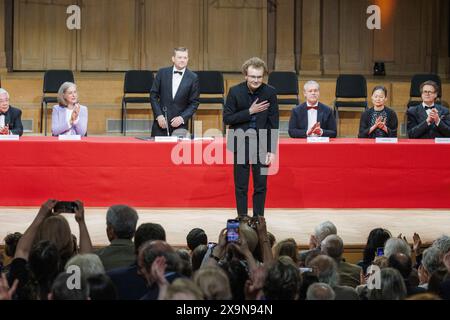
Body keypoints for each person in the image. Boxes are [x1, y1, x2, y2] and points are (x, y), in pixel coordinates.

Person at [223, 57, 279, 217]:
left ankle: (258, 220)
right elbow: (227, 119)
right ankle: (242, 219)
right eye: (253, 76)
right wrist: (250, 112)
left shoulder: (270, 92)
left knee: (260, 185)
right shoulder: (235, 91)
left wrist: (272, 150)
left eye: (259, 77)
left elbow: (273, 123)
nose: (256, 80)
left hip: (262, 142)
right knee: (241, 186)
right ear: (245, 75)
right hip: (241, 141)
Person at [150, 47, 199, 137]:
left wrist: (182, 118)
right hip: (161, 123)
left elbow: (194, 103)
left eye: (185, 58)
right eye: (179, 57)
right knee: (157, 151)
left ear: (188, 59)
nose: (182, 60)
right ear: (173, 59)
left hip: (180, 125)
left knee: (178, 151)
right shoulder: (162, 73)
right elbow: (153, 96)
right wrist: (159, 115)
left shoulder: (193, 77)